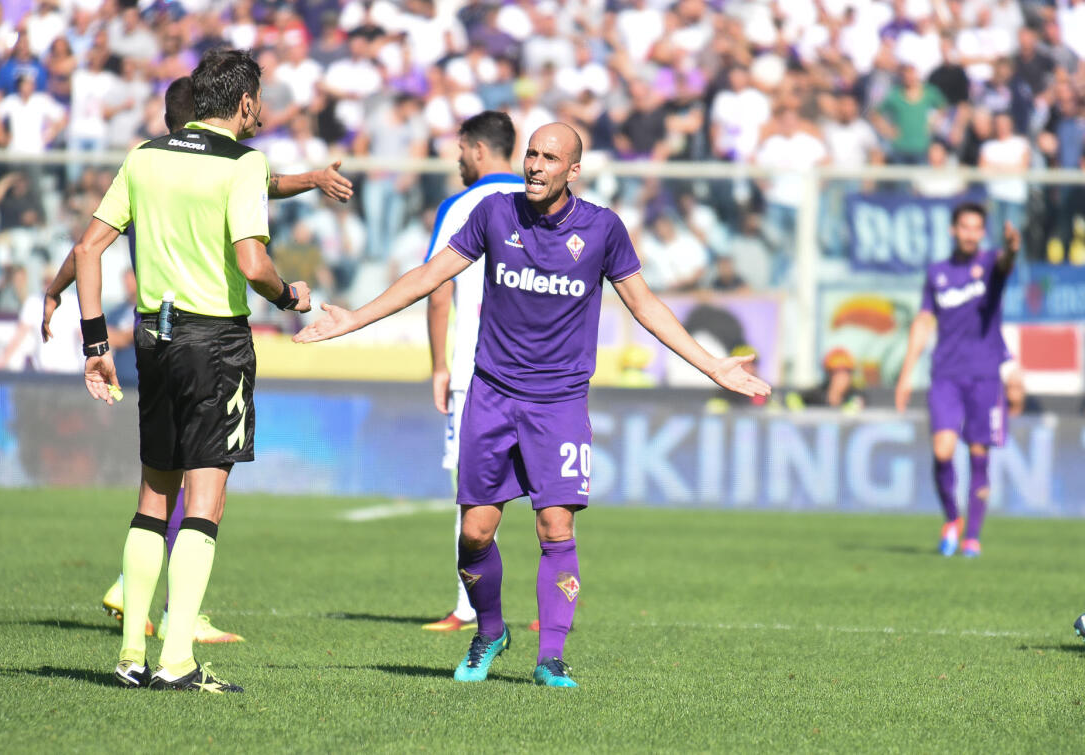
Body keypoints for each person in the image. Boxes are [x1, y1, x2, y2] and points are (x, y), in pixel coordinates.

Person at [295, 122, 769, 687]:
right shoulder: (495, 214)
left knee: (554, 525)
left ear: (574, 170)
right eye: (532, 154)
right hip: (492, 394)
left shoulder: (602, 229)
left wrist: (712, 366)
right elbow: (429, 276)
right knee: (474, 532)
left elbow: (645, 305)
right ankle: (490, 631)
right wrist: (352, 317)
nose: (536, 166)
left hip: (560, 402)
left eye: (551, 158)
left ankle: (551, 657)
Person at [43, 75, 353, 649]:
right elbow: (254, 263)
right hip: (215, 343)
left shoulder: (144, 157)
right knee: (205, 502)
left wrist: (93, 347)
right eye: (258, 99)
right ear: (243, 102)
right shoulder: (243, 162)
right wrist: (291, 297)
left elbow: (87, 249)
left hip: (152, 341)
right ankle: (179, 657)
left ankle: (133, 654)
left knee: (152, 499)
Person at [421, 111, 525, 634]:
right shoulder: (541, 198)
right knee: (553, 495)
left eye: (460, 150)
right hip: (543, 374)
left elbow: (438, 288)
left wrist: (438, 364)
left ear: (478, 149)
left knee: (472, 491)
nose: (458, 160)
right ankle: (555, 608)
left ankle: (467, 610)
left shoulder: (462, 204)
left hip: (475, 371)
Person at [894, 203, 1020, 559]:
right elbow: (922, 322)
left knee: (979, 453)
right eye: (963, 227)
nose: (969, 233)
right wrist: (905, 374)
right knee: (942, 451)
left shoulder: (992, 264)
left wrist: (1012, 248)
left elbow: (1008, 262)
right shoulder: (937, 273)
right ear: (953, 230)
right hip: (945, 375)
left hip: (984, 375)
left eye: (976, 228)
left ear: (983, 232)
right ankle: (952, 518)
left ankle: (972, 538)